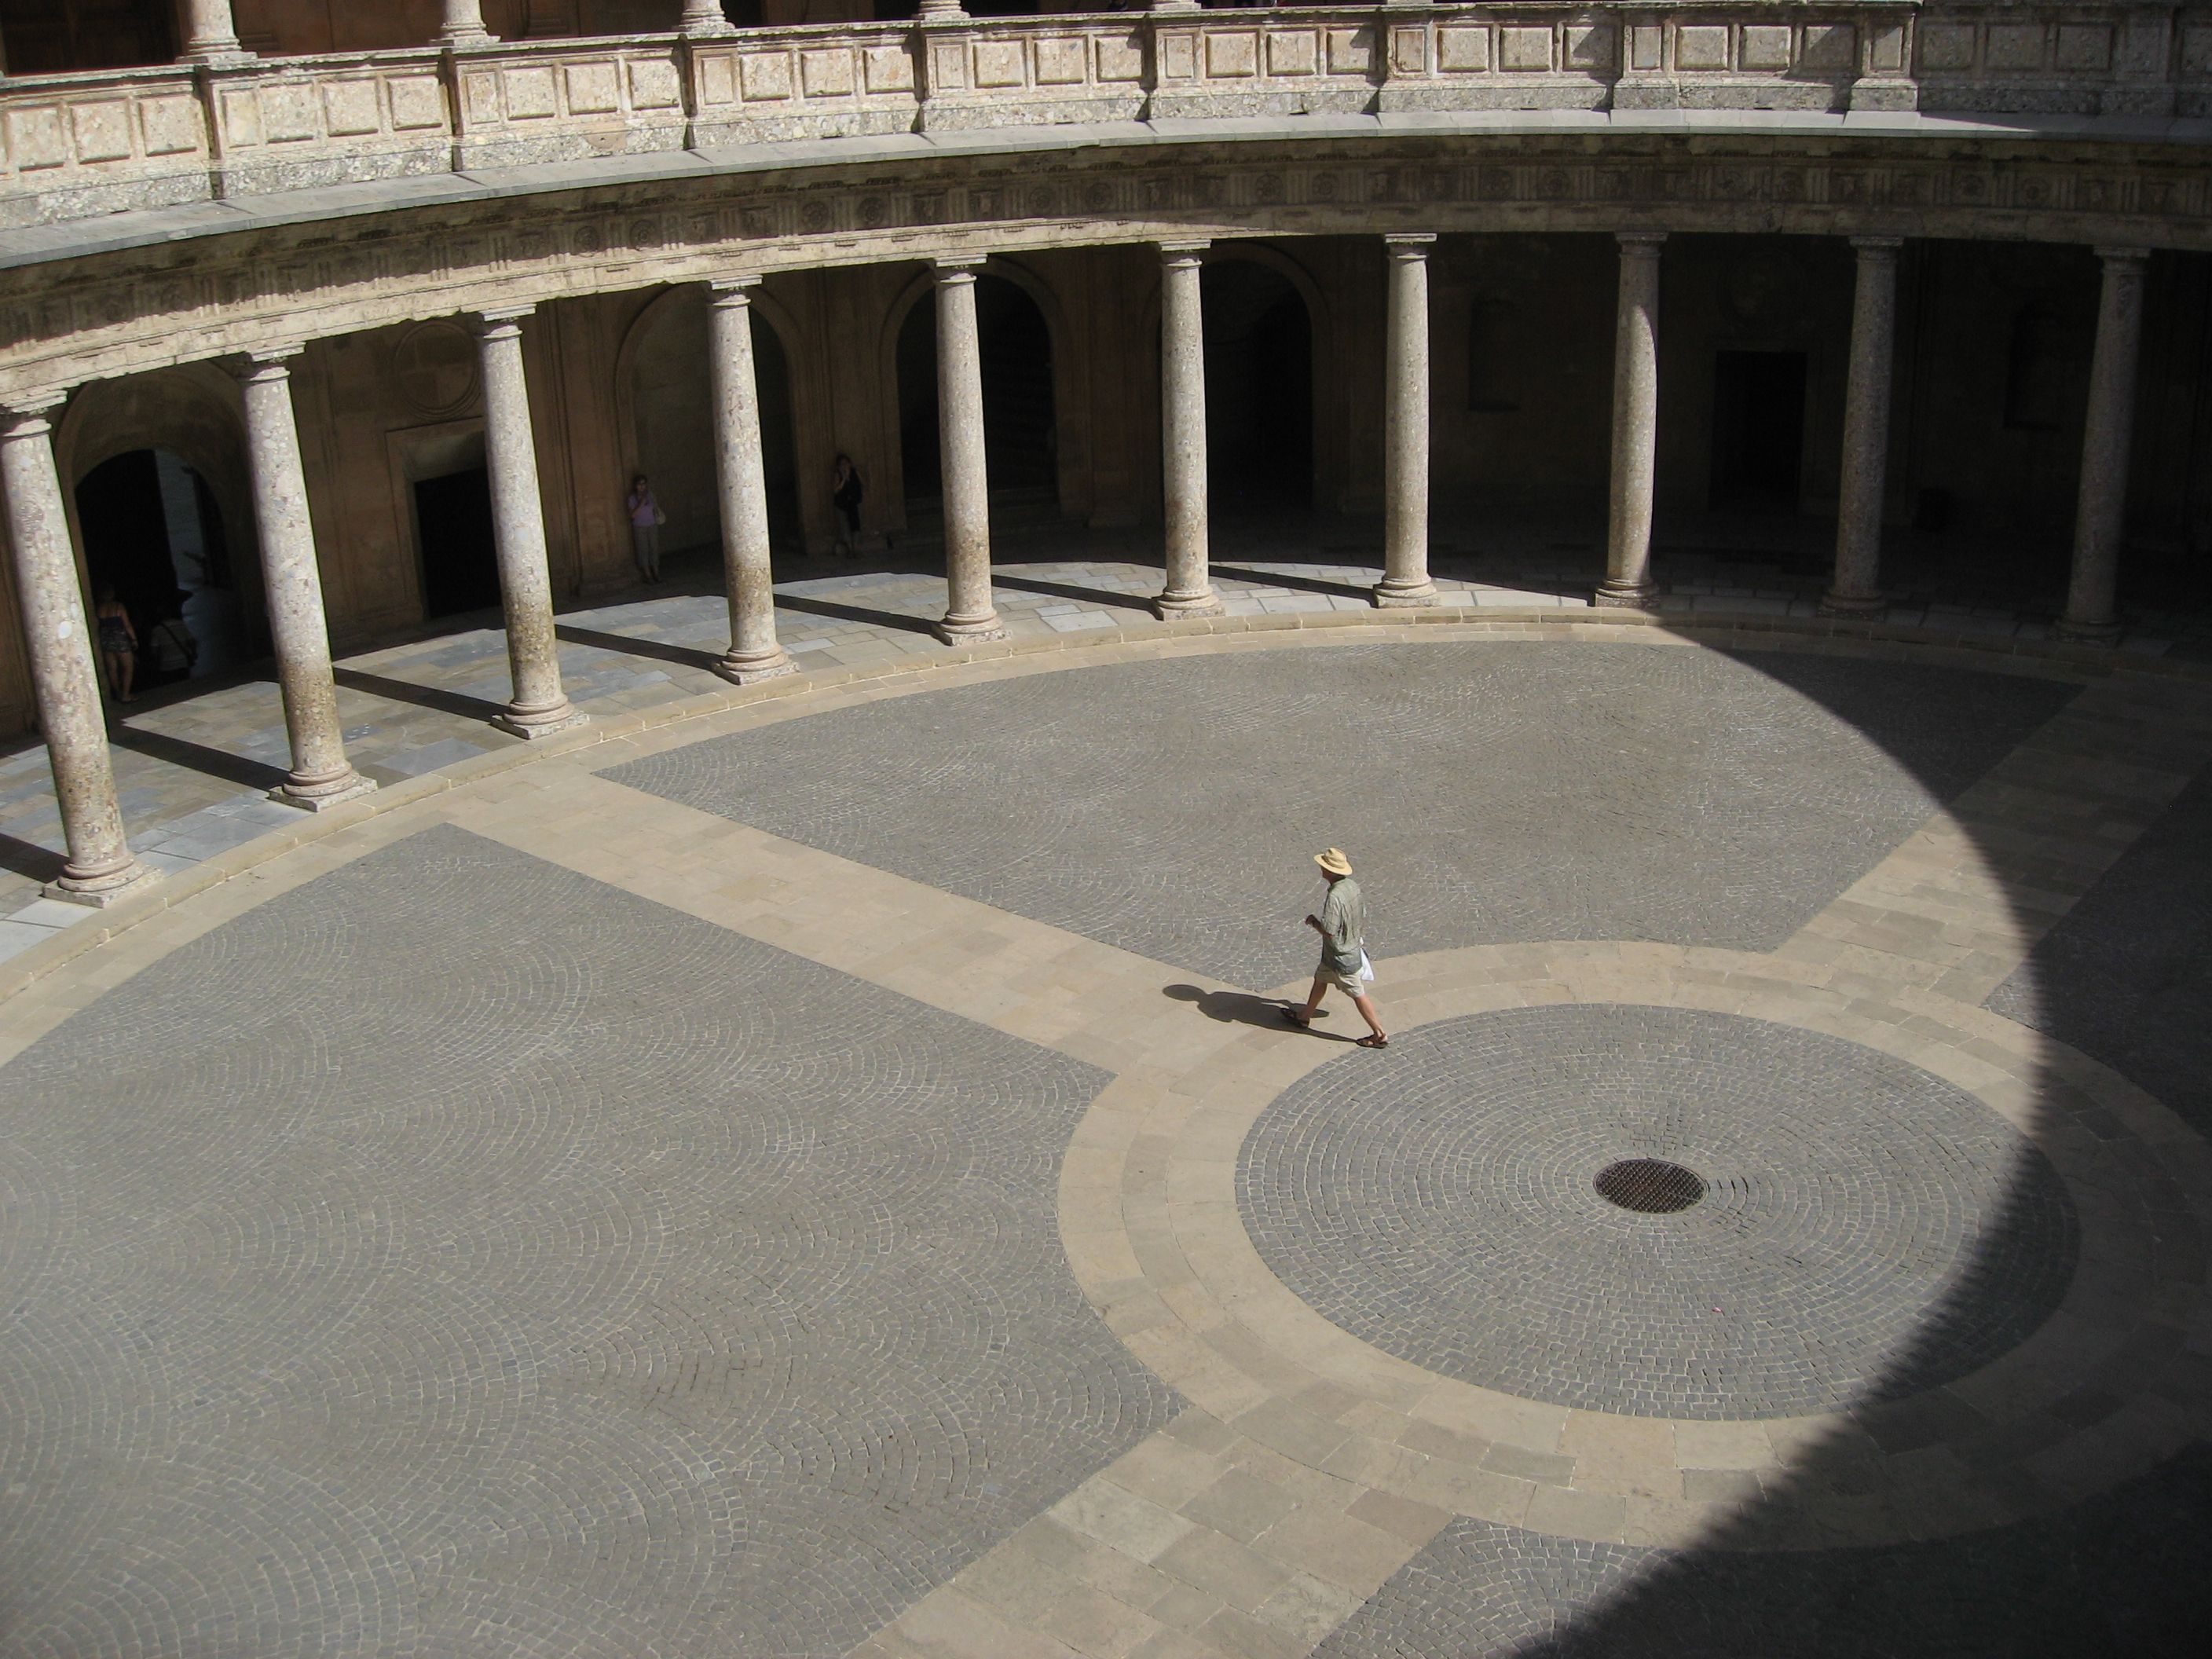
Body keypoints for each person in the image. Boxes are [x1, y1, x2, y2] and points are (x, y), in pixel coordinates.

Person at [1284, 847, 1388, 1047]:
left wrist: (1314, 922)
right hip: (1338, 953)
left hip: (1341, 956)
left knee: (1357, 993)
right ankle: (1304, 1016)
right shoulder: (1353, 886)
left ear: (1329, 871)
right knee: (1321, 979)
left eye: (1323, 866)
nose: (1321, 869)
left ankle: (1379, 1034)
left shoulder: (1335, 896)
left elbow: (1329, 930)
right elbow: (1362, 915)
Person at [95, 584, 137, 705]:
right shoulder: (118, 606)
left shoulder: (99, 608)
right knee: (128, 668)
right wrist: (134, 639)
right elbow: (127, 624)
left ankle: (118, 693)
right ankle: (126, 695)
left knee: (112, 669)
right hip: (120, 639)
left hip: (106, 639)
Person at [626, 474, 664, 583]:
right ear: (635, 486)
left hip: (652, 525)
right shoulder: (632, 498)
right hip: (640, 527)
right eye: (639, 484)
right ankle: (648, 575)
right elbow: (632, 515)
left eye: (643, 484)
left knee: (654, 549)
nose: (642, 486)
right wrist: (641, 503)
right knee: (643, 550)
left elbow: (655, 508)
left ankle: (656, 573)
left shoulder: (650, 495)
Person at [831, 454, 865, 557]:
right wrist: (844, 480)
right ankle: (850, 549)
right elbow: (835, 490)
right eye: (842, 464)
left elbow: (864, 483)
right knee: (844, 525)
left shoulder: (855, 472)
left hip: (855, 502)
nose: (845, 466)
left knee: (856, 524)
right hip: (842, 503)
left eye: (846, 463)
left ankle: (855, 548)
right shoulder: (838, 475)